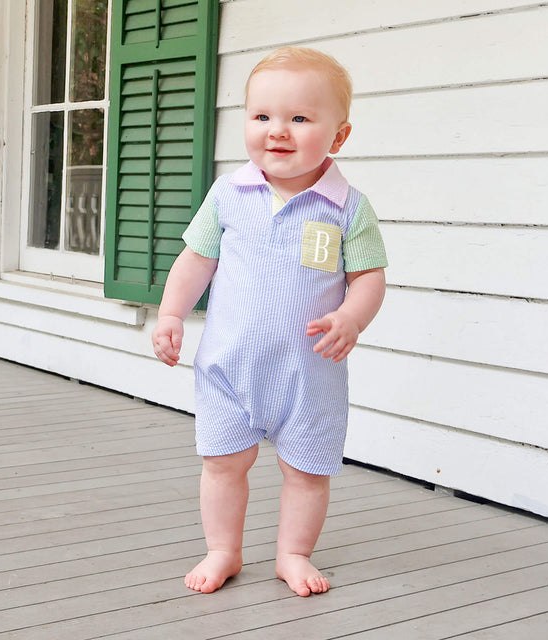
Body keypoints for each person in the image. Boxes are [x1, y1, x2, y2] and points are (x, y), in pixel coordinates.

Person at [152, 46, 387, 597]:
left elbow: (369, 278)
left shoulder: (347, 207)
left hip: (309, 373)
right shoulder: (228, 194)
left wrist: (351, 318)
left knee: (307, 471)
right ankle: (223, 549)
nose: (277, 130)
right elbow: (196, 260)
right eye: (261, 116)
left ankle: (293, 553)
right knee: (222, 464)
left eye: (299, 118)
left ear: (339, 136)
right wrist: (170, 313)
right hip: (229, 366)